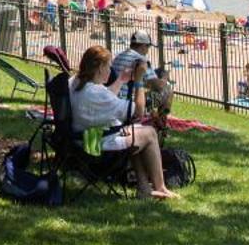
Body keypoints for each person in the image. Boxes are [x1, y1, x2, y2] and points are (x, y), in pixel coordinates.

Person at [68, 44, 177, 200]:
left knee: (133, 132)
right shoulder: (96, 93)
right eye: (108, 66)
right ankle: (161, 187)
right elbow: (139, 111)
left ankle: (144, 188)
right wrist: (138, 81)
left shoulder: (75, 82)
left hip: (80, 139)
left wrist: (121, 79)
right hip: (95, 145)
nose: (110, 70)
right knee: (150, 133)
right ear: (99, 68)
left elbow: (106, 97)